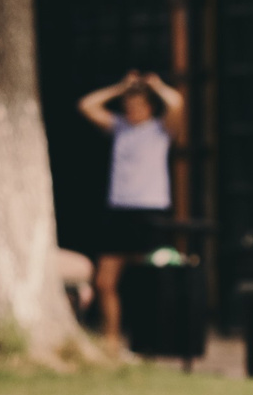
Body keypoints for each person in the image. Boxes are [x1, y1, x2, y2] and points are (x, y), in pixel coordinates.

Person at [76, 71, 186, 343]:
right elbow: (87, 105)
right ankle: (111, 338)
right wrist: (119, 87)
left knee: (149, 280)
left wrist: (157, 86)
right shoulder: (119, 127)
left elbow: (178, 103)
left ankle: (148, 339)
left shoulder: (161, 130)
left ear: (149, 107)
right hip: (119, 211)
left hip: (150, 210)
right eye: (128, 105)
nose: (132, 110)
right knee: (105, 281)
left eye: (138, 105)